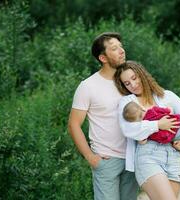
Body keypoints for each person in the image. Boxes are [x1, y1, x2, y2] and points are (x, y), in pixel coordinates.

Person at [114, 60, 180, 200]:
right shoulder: (128, 102)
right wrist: (157, 125)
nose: (133, 84)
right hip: (148, 156)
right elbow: (128, 129)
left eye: (134, 78)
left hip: (173, 156)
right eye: (127, 83)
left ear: (141, 74)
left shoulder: (166, 96)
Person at [67, 32, 140, 200]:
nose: (122, 51)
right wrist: (90, 157)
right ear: (103, 58)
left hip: (132, 157)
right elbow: (74, 124)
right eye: (114, 48)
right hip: (106, 159)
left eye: (121, 47)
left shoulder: (129, 82)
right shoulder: (88, 86)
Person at [122, 101, 180, 177]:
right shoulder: (154, 110)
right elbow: (169, 110)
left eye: (140, 116)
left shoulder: (145, 127)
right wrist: (168, 112)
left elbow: (143, 141)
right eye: (140, 118)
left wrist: (141, 141)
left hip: (176, 133)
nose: (143, 118)